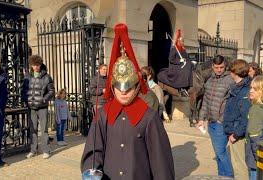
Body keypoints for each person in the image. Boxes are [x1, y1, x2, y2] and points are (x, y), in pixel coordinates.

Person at [81, 23, 174, 180]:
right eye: (118, 86)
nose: (123, 91)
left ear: (137, 86)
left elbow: (161, 161)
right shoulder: (103, 114)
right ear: (112, 86)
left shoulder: (149, 117)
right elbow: (93, 149)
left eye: (128, 87)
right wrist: (92, 171)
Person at [196, 55, 234, 177]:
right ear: (212, 66)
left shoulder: (230, 80)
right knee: (218, 154)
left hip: (221, 123)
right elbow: (205, 101)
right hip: (211, 122)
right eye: (216, 67)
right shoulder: (209, 80)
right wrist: (201, 118)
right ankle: (221, 176)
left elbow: (233, 103)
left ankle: (228, 177)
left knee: (221, 153)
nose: (219, 70)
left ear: (225, 66)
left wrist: (221, 120)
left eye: (221, 67)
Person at [22, 55, 55, 159]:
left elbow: (51, 91)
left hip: (42, 107)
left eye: (37, 65)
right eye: (34, 65)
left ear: (40, 64)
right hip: (31, 107)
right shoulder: (27, 76)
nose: (36, 67)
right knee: (33, 129)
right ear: (31, 65)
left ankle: (46, 150)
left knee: (44, 129)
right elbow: (23, 90)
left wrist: (44, 99)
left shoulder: (47, 77)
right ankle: (33, 150)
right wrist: (25, 100)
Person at [223, 59, 251, 180]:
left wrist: (236, 134)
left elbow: (245, 117)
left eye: (231, 71)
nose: (230, 73)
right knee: (238, 165)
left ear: (234, 72)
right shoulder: (239, 87)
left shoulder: (244, 90)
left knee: (240, 167)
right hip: (234, 131)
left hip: (238, 135)